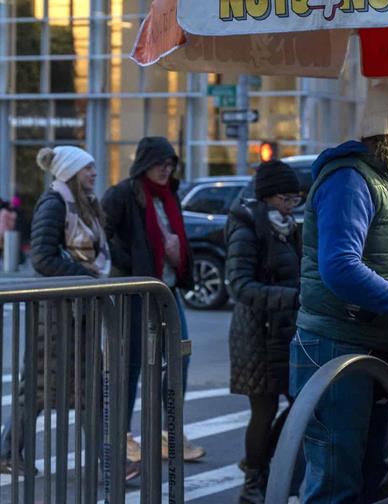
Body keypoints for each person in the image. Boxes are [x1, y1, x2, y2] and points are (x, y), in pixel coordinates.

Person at [289, 78, 388, 503]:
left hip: (376, 347)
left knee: (372, 473)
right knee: (337, 482)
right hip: (336, 346)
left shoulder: (387, 184)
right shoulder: (348, 180)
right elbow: (340, 267)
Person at [0, 146, 115, 474]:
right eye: (87, 168)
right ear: (69, 172)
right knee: (38, 387)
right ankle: (8, 452)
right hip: (55, 312)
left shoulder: (85, 205)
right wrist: (86, 276)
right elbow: (42, 258)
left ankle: (105, 463)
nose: (94, 173)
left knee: (88, 387)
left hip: (77, 308)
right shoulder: (53, 204)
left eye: (93, 167)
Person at [102, 136, 205, 462]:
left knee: (179, 357)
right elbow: (102, 237)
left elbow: (177, 238)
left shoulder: (169, 195)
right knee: (131, 364)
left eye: (170, 163)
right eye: (160, 163)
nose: (166, 169)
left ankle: (168, 432)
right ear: (144, 163)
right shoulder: (122, 194)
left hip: (166, 290)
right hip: (135, 291)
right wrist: (133, 263)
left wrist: (177, 254)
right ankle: (122, 436)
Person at [226, 160, 305, 502]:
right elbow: (240, 285)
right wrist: (293, 298)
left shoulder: (287, 227)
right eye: (287, 199)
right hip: (256, 335)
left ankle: (266, 466)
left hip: (285, 333)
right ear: (269, 196)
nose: (292, 206)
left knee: (301, 403)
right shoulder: (248, 228)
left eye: (296, 199)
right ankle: (254, 482)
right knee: (264, 408)